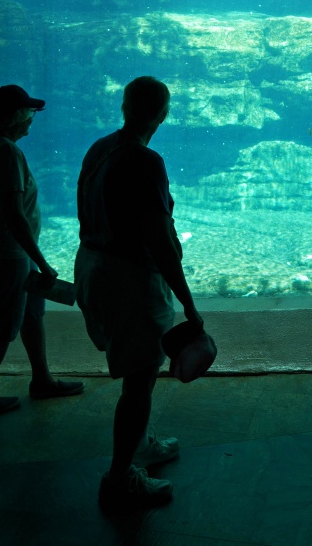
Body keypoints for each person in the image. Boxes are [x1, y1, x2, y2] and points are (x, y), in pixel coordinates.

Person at [75, 76, 203, 510]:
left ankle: (141, 445)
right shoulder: (145, 161)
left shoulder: (100, 148)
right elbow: (160, 240)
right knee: (140, 380)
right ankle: (119, 477)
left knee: (136, 371)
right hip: (128, 277)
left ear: (125, 106)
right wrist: (188, 302)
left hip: (93, 264)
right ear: (162, 115)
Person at [0, 85, 84, 419]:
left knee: (31, 313)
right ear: (17, 115)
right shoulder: (7, 153)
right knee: (3, 325)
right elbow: (13, 214)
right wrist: (42, 262)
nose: (32, 118)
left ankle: (42, 379)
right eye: (29, 112)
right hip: (6, 253)